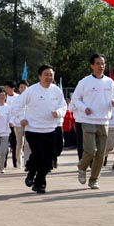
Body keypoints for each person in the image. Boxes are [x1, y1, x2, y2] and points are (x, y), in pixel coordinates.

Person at [13, 64, 67, 193]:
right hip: (33, 130)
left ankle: (36, 179)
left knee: (48, 161)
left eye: (51, 75)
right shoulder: (32, 90)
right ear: (40, 76)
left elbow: (63, 106)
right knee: (39, 156)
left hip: (50, 129)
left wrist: (58, 113)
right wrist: (22, 118)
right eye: (46, 75)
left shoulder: (56, 91)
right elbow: (18, 105)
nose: (49, 77)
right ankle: (39, 181)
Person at [70, 53, 114, 190]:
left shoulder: (109, 82)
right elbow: (75, 99)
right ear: (92, 66)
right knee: (90, 150)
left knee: (100, 154)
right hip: (88, 120)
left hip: (104, 120)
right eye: (97, 63)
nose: (101, 66)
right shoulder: (84, 82)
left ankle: (94, 179)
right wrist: (84, 108)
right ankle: (82, 166)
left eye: (103, 63)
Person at [0, 90, 11, 174]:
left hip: (5, 132)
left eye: (3, 95)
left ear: (5, 97)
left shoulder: (8, 107)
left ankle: (1, 168)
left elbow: (11, 118)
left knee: (3, 151)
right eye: (0, 95)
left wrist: (11, 122)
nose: (1, 97)